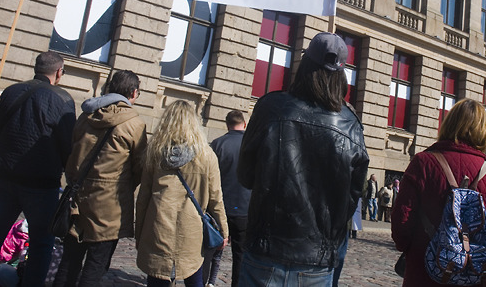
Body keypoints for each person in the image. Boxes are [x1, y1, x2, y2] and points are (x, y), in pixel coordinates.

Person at [238, 31, 369, 286]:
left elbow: (245, 176)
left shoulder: (269, 108)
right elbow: (351, 201)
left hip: (265, 252)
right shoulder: (351, 126)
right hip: (316, 262)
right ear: (341, 76)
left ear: (304, 66)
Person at [0, 51, 76, 286]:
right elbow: (68, 147)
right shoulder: (63, 100)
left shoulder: (12, 92)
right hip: (41, 186)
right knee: (40, 246)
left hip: (4, 178)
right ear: (59, 72)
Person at [391, 98, 486, 287]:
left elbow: (401, 223)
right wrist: (474, 254)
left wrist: (417, 249)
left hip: (424, 273)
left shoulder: (423, 163)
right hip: (474, 277)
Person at [53, 69, 147, 286]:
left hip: (78, 199)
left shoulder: (86, 115)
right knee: (96, 264)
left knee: (69, 260)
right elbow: (140, 167)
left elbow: (72, 151)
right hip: (110, 205)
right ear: (133, 93)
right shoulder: (134, 124)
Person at [134, 100, 228, 287]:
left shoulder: (155, 152)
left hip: (157, 225)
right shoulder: (206, 155)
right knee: (194, 277)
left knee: (157, 277)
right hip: (191, 230)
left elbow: (143, 197)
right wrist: (223, 231)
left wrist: (139, 233)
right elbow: (216, 198)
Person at [208, 109, 251, 286]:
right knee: (240, 254)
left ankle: (207, 281)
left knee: (212, 251)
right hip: (244, 208)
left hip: (220, 208)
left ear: (227, 124)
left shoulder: (217, 144)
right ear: (245, 124)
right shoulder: (252, 146)